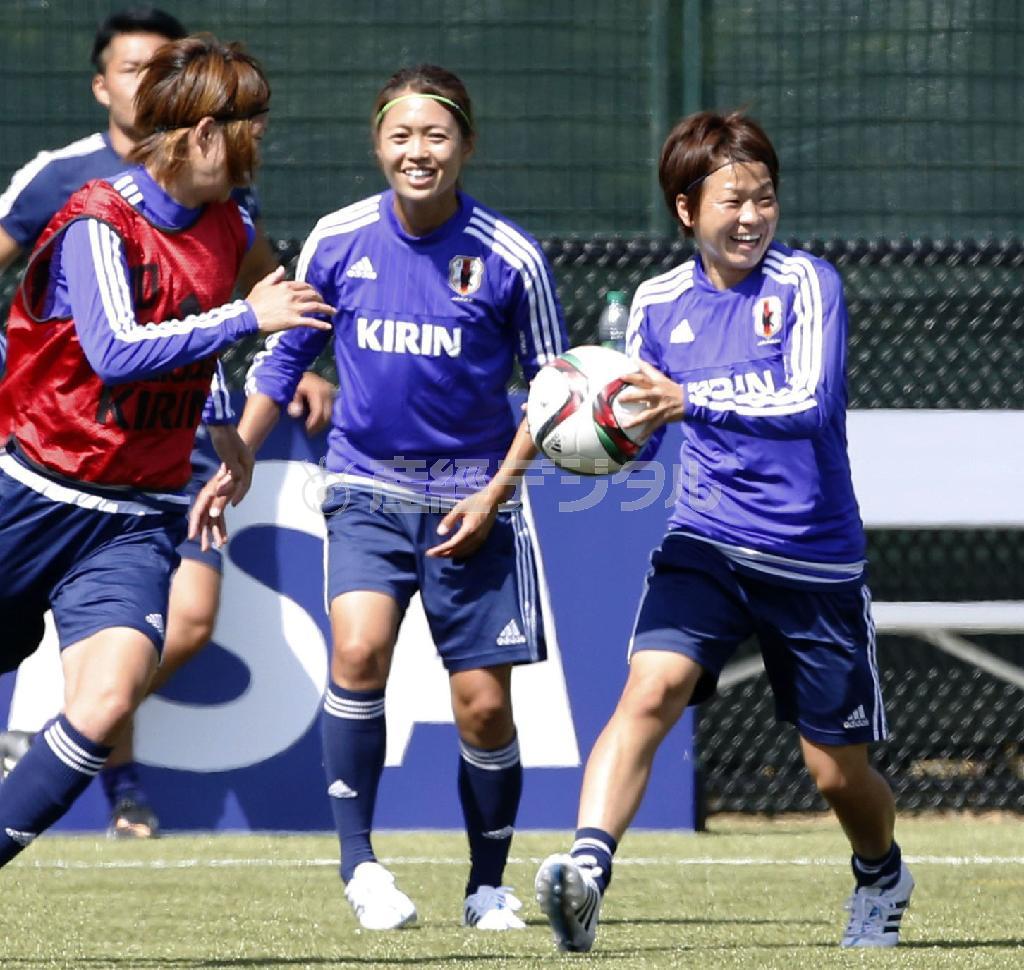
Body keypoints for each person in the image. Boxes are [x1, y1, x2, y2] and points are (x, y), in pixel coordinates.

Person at [534, 110, 914, 951]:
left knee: (834, 772)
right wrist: (603, 440)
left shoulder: (808, 284)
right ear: (685, 210)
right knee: (650, 688)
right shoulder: (657, 302)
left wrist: (688, 400)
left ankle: (882, 872)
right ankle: (587, 875)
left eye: (765, 198)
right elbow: (646, 431)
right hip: (704, 541)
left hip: (814, 561)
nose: (751, 217)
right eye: (732, 201)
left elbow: (809, 405)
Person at [221, 64, 567, 931]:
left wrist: (497, 493)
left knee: (484, 705)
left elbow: (556, 391)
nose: (419, 153)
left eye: (437, 136)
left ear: (467, 147)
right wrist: (242, 452)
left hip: (473, 501)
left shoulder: (510, 256)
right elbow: (287, 356)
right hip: (366, 487)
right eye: (402, 136)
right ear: (378, 144)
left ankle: (488, 885)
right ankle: (360, 865)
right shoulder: (338, 240)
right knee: (359, 653)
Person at [0, 33, 333, 868]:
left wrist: (229, 425)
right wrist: (245, 321)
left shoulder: (230, 225)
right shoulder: (97, 220)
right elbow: (117, 349)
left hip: (131, 520)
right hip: (30, 493)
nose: (265, 142)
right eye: (253, 123)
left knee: (106, 700)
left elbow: (243, 328)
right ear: (204, 133)